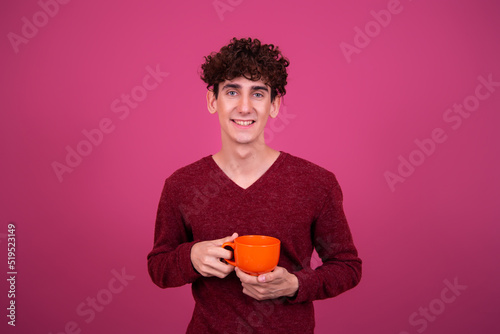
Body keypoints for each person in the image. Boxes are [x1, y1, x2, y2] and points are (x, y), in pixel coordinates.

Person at [147, 37, 362, 333]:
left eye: (258, 94)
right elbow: (159, 268)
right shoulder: (181, 185)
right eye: (232, 91)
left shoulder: (317, 183)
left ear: (274, 105)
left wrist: (295, 284)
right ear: (213, 101)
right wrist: (191, 257)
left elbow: (347, 267)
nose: (245, 107)